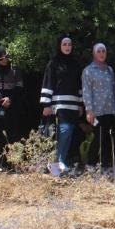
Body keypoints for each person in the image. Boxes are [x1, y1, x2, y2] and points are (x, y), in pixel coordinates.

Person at [40, 35, 84, 176]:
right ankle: (56, 161)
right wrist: (46, 104)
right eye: (64, 44)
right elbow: (48, 83)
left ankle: (60, 162)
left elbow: (79, 84)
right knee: (62, 130)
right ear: (59, 46)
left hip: (73, 104)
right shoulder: (53, 63)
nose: (67, 47)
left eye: (69, 44)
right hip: (58, 103)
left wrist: (81, 103)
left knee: (69, 130)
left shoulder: (76, 63)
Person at [81, 43, 115, 173]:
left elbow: (114, 89)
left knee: (108, 137)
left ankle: (105, 163)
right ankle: (91, 162)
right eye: (99, 51)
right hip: (96, 111)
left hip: (110, 109)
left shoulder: (109, 70)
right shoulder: (88, 70)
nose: (102, 53)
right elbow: (86, 92)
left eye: (104, 51)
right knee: (98, 136)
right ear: (93, 53)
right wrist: (89, 110)